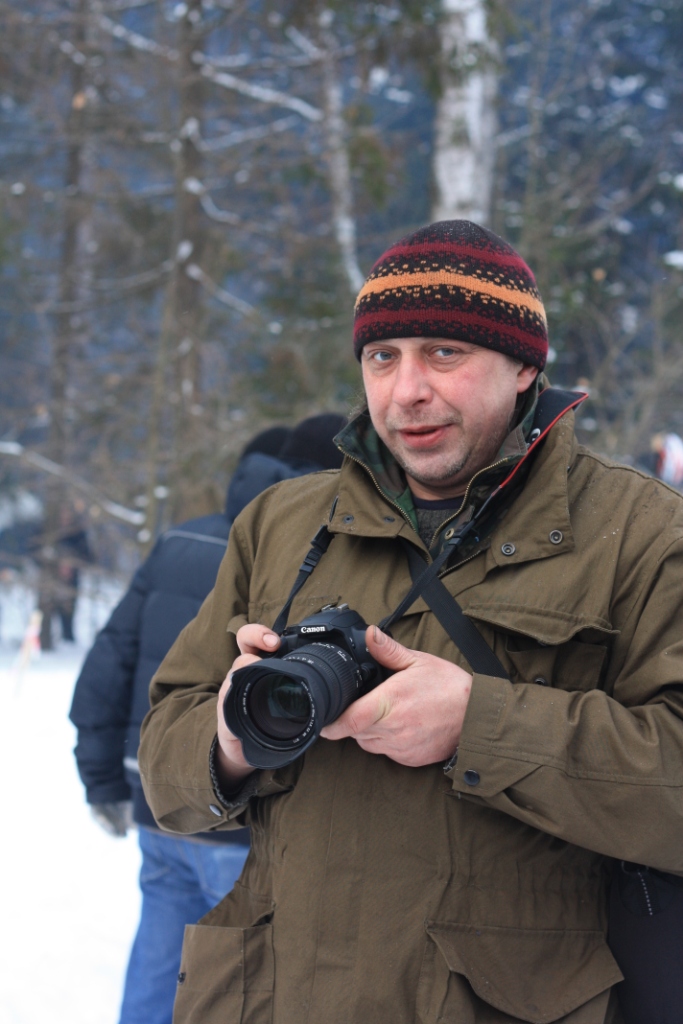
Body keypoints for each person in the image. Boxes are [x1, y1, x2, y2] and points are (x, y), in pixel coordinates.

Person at [138, 221, 683, 1024]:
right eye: (381, 357)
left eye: (443, 353)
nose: (405, 391)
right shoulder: (281, 524)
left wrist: (478, 725)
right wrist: (228, 738)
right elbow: (163, 774)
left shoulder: (642, 533)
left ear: (524, 365)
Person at [69, 416, 346, 1024]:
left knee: (158, 964)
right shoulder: (319, 556)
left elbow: (108, 662)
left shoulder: (179, 541)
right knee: (242, 990)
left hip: (159, 798)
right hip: (243, 817)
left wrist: (103, 779)